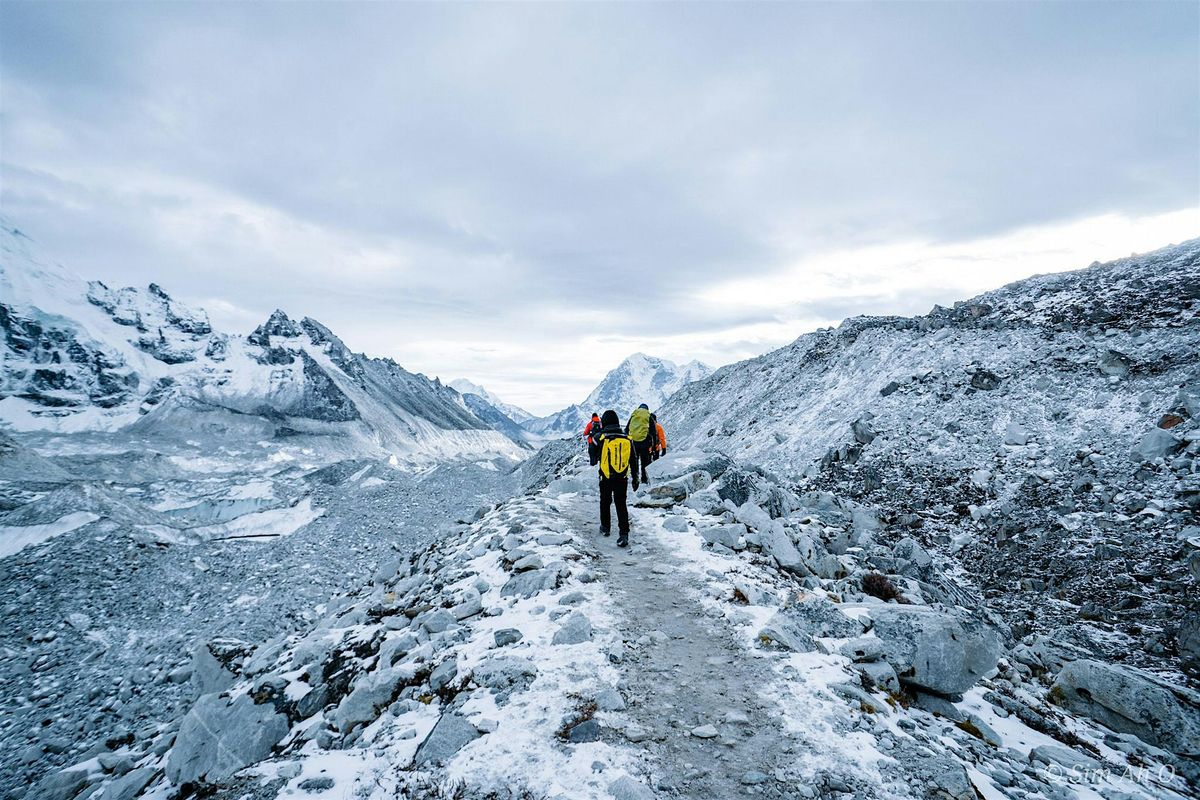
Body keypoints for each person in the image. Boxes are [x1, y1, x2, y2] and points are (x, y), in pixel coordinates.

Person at [595, 409, 632, 546]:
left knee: (605, 501)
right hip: (622, 477)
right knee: (621, 504)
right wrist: (635, 477)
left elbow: (593, 454)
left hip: (605, 476)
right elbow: (633, 459)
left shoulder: (601, 437)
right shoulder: (626, 438)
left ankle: (605, 528)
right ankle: (624, 534)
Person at [625, 403, 654, 488]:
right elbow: (653, 432)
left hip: (633, 442)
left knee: (634, 461)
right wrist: (653, 444)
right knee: (645, 461)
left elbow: (627, 429)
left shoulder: (634, 414)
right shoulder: (648, 416)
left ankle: (635, 477)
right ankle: (644, 479)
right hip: (645, 443)